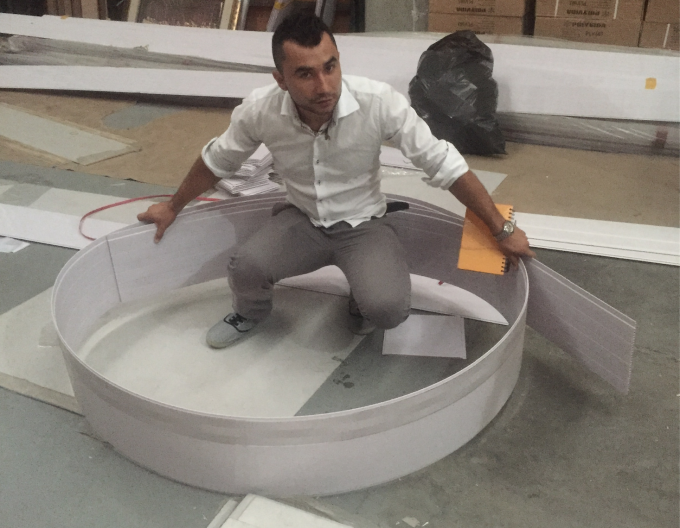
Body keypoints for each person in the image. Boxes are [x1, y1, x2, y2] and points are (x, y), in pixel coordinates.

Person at [138, 12, 535, 349]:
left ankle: (362, 298)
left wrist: (501, 229)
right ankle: (249, 314)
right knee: (245, 269)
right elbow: (216, 161)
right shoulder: (260, 111)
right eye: (305, 74)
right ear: (281, 79)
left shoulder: (378, 103)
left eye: (330, 67)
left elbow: (444, 164)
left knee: (387, 310)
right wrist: (172, 207)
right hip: (303, 220)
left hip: (364, 224)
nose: (324, 86)